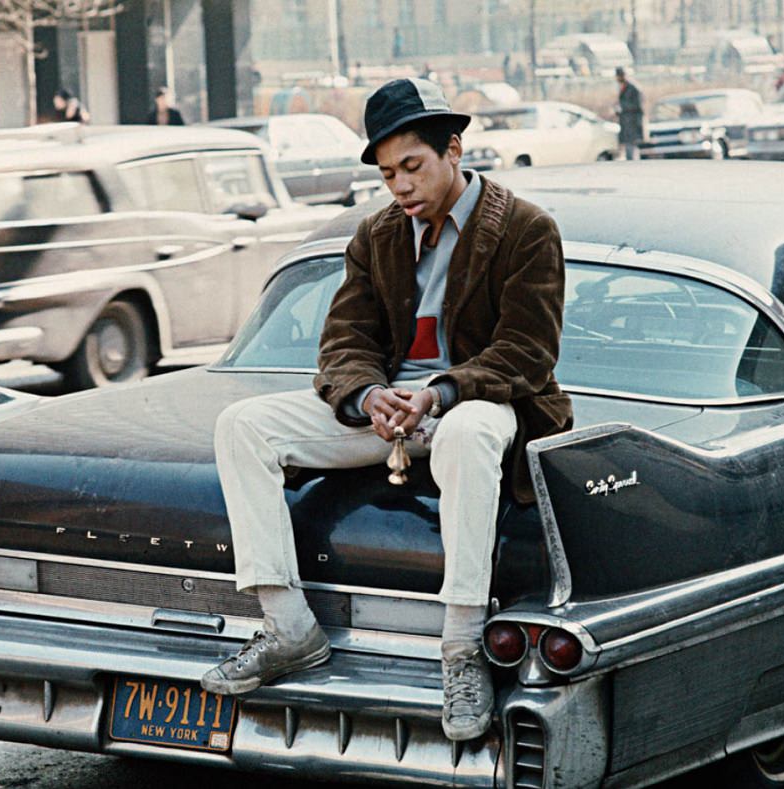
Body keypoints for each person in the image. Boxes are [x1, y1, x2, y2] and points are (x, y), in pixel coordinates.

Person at [200, 78, 571, 742]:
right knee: (242, 424)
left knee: (465, 432)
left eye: (412, 166)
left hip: (483, 404)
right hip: (387, 412)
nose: (399, 186)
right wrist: (370, 395)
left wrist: (438, 392)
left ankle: (461, 647)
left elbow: (527, 352)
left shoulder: (526, 228)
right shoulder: (375, 235)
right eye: (386, 172)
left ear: (453, 149)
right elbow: (343, 342)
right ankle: (288, 625)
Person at [614, 66, 644, 161]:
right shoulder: (623, 87)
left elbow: (638, 105)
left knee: (631, 146)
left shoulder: (632, 88)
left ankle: (632, 165)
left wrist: (623, 107)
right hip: (626, 121)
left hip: (632, 121)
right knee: (628, 146)